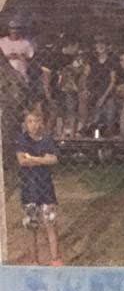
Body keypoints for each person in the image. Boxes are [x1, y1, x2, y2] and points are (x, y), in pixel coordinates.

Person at [15, 102, 62, 266]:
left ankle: (55, 258)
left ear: (41, 122)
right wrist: (43, 159)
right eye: (30, 122)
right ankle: (34, 260)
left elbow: (54, 159)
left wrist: (33, 158)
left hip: (45, 187)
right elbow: (22, 161)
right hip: (29, 187)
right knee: (32, 225)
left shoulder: (47, 139)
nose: (33, 125)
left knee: (50, 222)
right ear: (25, 124)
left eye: (36, 121)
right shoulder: (22, 139)